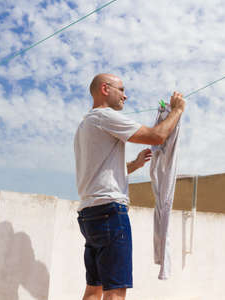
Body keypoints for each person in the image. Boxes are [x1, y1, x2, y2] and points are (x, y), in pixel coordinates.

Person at [74, 73, 185, 300]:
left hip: (89, 214)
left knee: (94, 289)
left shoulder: (85, 124)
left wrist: (132, 165)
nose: (126, 95)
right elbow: (157, 136)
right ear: (105, 89)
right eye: (121, 89)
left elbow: (99, 171)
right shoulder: (105, 116)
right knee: (115, 291)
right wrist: (177, 110)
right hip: (109, 214)